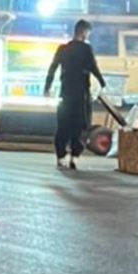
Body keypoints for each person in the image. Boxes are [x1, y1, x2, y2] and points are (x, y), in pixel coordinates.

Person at [44, 19, 106, 170]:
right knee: (80, 127)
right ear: (84, 32)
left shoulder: (63, 49)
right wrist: (103, 83)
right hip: (81, 95)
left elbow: (52, 68)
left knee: (63, 126)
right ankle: (74, 157)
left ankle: (61, 157)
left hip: (65, 94)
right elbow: (94, 68)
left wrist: (47, 87)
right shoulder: (86, 49)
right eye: (88, 33)